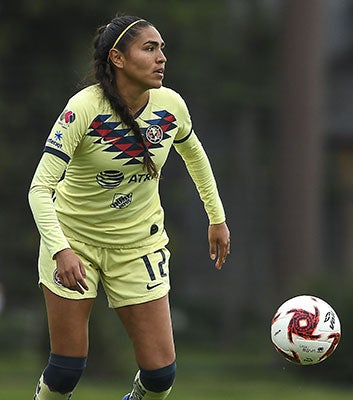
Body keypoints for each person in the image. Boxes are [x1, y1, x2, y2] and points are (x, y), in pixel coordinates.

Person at [28, 14, 230, 400]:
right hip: (74, 243)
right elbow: (39, 189)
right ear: (118, 59)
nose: (161, 58)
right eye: (150, 48)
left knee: (160, 377)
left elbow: (196, 158)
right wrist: (61, 249)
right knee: (66, 370)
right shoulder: (84, 108)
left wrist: (216, 218)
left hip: (139, 246)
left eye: (162, 49)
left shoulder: (170, 106)